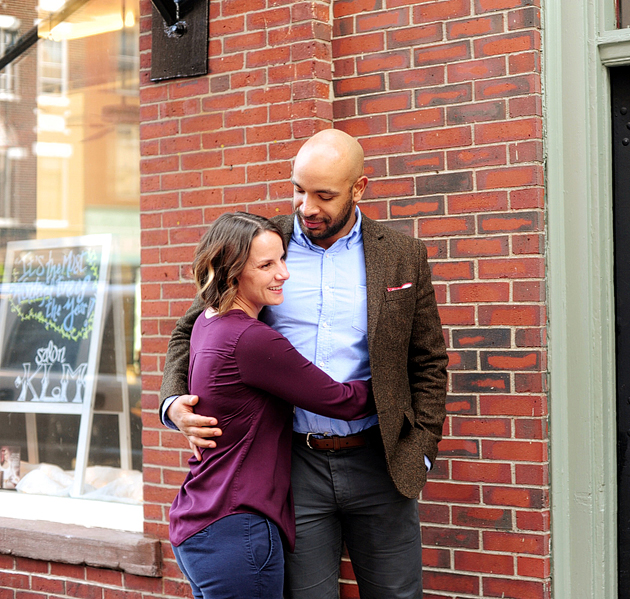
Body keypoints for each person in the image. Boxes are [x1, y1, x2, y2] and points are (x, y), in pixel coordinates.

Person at [160, 129, 449, 598]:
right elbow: (190, 328)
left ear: (359, 189)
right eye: (298, 189)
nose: (306, 206)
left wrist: (421, 448)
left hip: (382, 461)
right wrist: (174, 403)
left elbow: (429, 359)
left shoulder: (401, 256)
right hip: (294, 465)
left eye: (324, 194)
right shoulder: (265, 244)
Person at [167, 211, 375, 599]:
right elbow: (340, 401)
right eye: (266, 265)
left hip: (200, 523)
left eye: (283, 259)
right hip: (238, 527)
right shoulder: (251, 339)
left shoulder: (209, 323)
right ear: (231, 273)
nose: (283, 273)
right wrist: (397, 386)